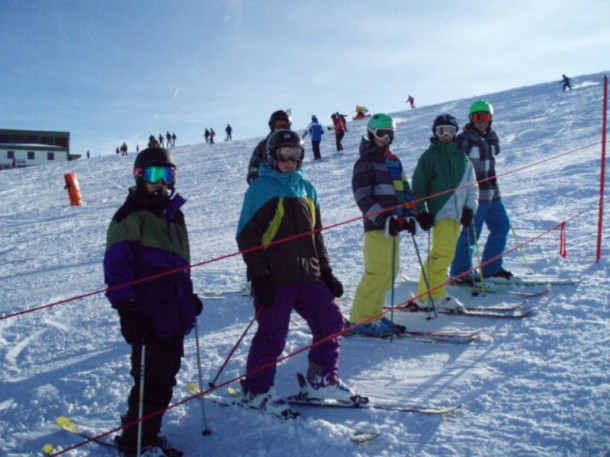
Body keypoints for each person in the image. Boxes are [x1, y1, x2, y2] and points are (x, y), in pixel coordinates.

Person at [236, 129, 356, 417]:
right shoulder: (260, 189)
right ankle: (257, 391)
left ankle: (320, 380)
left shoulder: (307, 188)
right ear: (272, 156)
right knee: (273, 334)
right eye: (284, 155)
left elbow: (317, 236)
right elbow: (246, 238)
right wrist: (259, 276)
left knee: (332, 321)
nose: (290, 161)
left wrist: (326, 272)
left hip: (309, 276)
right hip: (276, 278)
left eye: (295, 155)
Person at [103, 147, 203, 456]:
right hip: (147, 315)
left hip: (173, 313)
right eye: (153, 175)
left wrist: (188, 297)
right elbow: (117, 267)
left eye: (167, 175)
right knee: (149, 381)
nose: (161, 182)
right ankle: (136, 442)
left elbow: (177, 267)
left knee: (167, 376)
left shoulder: (174, 215)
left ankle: (149, 431)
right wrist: (127, 309)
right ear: (138, 177)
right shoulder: (130, 215)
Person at [348, 113, 417, 336]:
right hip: (378, 228)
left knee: (390, 271)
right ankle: (360, 319)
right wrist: (382, 218)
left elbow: (404, 191)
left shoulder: (394, 160)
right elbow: (362, 196)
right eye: (381, 134)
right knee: (376, 272)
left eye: (390, 134)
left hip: (394, 226)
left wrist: (410, 215)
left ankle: (374, 314)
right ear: (371, 134)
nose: (385, 139)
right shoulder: (364, 163)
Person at [411, 114, 478, 309]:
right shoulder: (429, 157)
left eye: (450, 131)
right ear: (435, 133)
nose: (446, 135)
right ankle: (433, 295)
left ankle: (427, 294)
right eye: (441, 131)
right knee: (442, 255)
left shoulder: (462, 156)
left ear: (455, 132)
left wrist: (469, 209)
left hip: (458, 215)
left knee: (443, 255)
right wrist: (421, 211)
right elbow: (419, 187)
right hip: (441, 212)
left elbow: (472, 185)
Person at [450, 100, 512, 284]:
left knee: (501, 226)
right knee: (471, 234)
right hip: (476, 195)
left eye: (486, 117)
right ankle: (460, 273)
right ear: (471, 118)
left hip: (493, 193)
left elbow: (496, 150)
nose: (482, 122)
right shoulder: (464, 139)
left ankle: (491, 268)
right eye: (478, 117)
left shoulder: (490, 136)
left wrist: (490, 135)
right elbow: (456, 166)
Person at [246, 109, 292, 184]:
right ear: (272, 126)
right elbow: (254, 166)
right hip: (267, 186)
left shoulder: (293, 145)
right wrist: (256, 181)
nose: (282, 127)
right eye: (279, 124)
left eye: (285, 125)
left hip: (287, 186)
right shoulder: (263, 146)